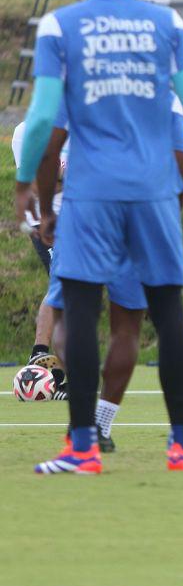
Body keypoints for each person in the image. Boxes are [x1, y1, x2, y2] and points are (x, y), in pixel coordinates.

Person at [15, 0, 183, 475]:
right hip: (153, 191)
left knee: (83, 314)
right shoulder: (168, 24)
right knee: (167, 313)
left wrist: (33, 192)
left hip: (90, 195)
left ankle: (82, 449)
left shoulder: (59, 26)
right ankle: (182, 449)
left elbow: (44, 121)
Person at [32, 94, 183, 453]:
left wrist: (45, 208)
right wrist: (167, 216)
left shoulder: (84, 79)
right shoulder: (167, 93)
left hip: (85, 212)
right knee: (128, 326)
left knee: (68, 315)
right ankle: (101, 425)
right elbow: (178, 165)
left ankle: (83, 418)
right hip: (142, 215)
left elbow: (48, 147)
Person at [11, 120, 69, 393]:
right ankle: (40, 356)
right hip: (44, 222)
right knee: (63, 284)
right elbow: (34, 185)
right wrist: (60, 179)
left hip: (79, 220)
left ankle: (55, 368)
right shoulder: (27, 131)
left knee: (73, 290)